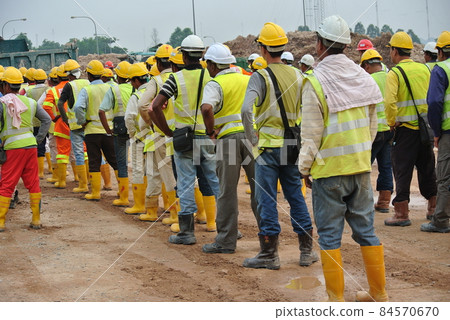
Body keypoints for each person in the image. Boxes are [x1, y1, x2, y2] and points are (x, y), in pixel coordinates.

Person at [299, 15, 387, 302]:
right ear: (347, 45)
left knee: (328, 237)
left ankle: (336, 301)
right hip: (360, 168)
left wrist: (304, 168)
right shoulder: (363, 76)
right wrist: (360, 153)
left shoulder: (315, 80)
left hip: (329, 172)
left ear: (321, 44)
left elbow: (311, 134)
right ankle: (378, 294)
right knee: (366, 232)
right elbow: (372, 125)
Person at [241, 22, 317, 270]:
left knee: (266, 200)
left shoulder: (259, 76)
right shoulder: (299, 74)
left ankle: (269, 254)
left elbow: (245, 110)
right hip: (293, 148)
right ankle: (306, 251)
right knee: (296, 198)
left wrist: (253, 139)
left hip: (267, 151)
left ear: (263, 49)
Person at [149, 35, 220, 245]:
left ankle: (187, 233)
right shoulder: (211, 77)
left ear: (184, 55)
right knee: (214, 180)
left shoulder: (175, 78)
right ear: (201, 55)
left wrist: (167, 131)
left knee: (186, 183)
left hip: (183, 139)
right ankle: (225, 226)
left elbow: (154, 107)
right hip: (207, 137)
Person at [200, 43, 259, 254]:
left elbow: (206, 107)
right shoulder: (248, 78)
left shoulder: (215, 83)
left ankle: (226, 241)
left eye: (208, 63)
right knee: (260, 190)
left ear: (214, 65)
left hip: (228, 140)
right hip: (252, 139)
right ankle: (267, 237)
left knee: (227, 191)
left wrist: (210, 132)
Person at [384, 31, 437, 226]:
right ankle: (433, 207)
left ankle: (401, 213)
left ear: (395, 50)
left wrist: (391, 122)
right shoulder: (425, 70)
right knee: (427, 168)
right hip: (425, 128)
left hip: (405, 131)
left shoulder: (395, 73)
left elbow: (389, 103)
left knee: (402, 170)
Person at [0, 67, 51, 232]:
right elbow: (46, 120)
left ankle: (1, 221)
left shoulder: (2, 103)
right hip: (30, 147)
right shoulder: (30, 102)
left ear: (6, 86)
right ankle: (36, 219)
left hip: (13, 148)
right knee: (33, 183)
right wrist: (38, 139)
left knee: (7, 184)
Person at [137, 44, 179, 223]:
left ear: (159, 64)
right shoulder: (182, 78)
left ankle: (174, 215)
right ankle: (195, 212)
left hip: (163, 135)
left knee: (165, 173)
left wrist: (153, 122)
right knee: (185, 174)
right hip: (185, 132)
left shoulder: (156, 81)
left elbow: (143, 105)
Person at [74, 60, 118, 201]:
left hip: (92, 131)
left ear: (89, 75)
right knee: (114, 160)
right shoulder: (110, 88)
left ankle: (95, 193)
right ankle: (121, 191)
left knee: (94, 161)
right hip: (109, 130)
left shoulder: (87, 90)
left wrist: (82, 122)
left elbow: (78, 107)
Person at [421, 31, 450, 233]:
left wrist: (437, 132)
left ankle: (440, 220)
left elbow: (434, 102)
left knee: (444, 177)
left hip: (448, 131)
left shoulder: (441, 70)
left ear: (440, 52)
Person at [360, 49, 394, 213]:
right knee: (386, 166)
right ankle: (384, 202)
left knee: (365, 167)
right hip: (389, 129)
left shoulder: (368, 80)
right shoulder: (390, 77)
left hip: (374, 131)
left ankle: (363, 203)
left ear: (366, 65)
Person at [99, 61, 133, 206]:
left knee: (121, 162)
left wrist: (107, 129)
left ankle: (123, 196)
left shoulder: (114, 90)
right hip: (136, 128)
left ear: (117, 76)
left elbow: (101, 111)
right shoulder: (135, 88)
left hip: (119, 128)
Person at [57, 59, 90, 193]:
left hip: (76, 125)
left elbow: (60, 104)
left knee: (79, 153)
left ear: (69, 74)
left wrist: (65, 120)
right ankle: (94, 181)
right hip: (89, 124)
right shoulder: (88, 82)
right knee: (92, 153)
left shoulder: (69, 86)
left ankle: (83, 185)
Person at [124, 63, 149, 215]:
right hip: (156, 137)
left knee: (139, 171)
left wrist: (132, 133)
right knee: (156, 172)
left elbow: (129, 118)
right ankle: (168, 206)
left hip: (140, 138)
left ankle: (140, 205)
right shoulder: (157, 91)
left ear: (136, 81)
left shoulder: (137, 96)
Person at [43, 64, 71, 189]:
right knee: (81, 151)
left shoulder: (53, 91)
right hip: (77, 123)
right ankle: (80, 179)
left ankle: (60, 179)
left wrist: (54, 117)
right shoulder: (75, 87)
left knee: (60, 152)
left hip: (60, 124)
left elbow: (46, 106)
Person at [27, 69, 49, 179]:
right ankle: (50, 167)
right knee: (49, 145)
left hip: (35, 122)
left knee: (39, 145)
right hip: (48, 121)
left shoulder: (29, 91)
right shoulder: (47, 89)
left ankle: (40, 172)